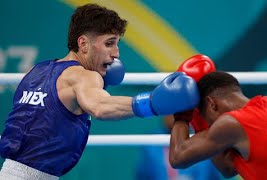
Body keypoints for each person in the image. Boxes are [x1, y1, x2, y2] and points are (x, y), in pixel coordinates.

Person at [0, 3, 200, 179]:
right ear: (83, 44)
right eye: (109, 43)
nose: (116, 53)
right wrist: (152, 103)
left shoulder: (38, 70)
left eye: (117, 44)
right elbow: (100, 107)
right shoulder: (84, 76)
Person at [169, 71, 267, 179]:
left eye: (206, 118)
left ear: (211, 103)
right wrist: (200, 121)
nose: (210, 125)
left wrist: (182, 113)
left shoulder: (232, 123)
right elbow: (227, 169)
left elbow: (177, 157)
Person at [135, 115, 223, 180]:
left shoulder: (203, 139)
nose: (173, 115)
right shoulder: (151, 143)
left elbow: (214, 175)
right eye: (169, 110)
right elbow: (143, 174)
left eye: (178, 110)